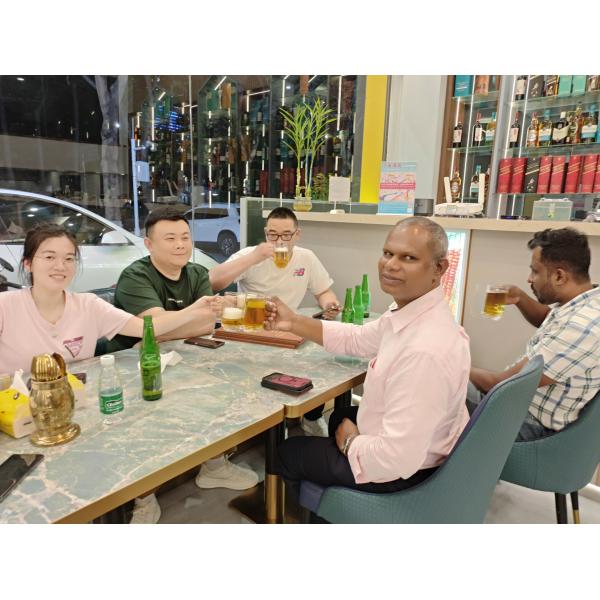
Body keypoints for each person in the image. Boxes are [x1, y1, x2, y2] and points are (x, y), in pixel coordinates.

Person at [265, 217, 471, 497]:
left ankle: (324, 509)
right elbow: (358, 338)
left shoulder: (423, 352)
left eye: (408, 258)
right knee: (340, 416)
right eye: (388, 253)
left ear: (439, 268)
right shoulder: (414, 311)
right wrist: (293, 322)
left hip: (408, 474)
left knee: (288, 451)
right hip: (423, 445)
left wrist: (351, 442)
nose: (391, 265)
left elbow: (396, 460)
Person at [107, 207, 259, 524]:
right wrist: (184, 320)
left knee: (224, 385)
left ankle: (214, 466)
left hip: (184, 356)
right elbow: (151, 328)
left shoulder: (197, 273)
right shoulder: (135, 276)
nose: (180, 245)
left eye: (185, 237)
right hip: (135, 367)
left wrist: (173, 324)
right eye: (170, 238)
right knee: (147, 415)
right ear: (149, 244)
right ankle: (143, 497)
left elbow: (205, 324)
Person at [0, 223, 218, 376]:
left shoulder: (88, 305)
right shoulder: (5, 306)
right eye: (49, 257)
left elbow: (145, 327)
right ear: (28, 263)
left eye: (69, 259)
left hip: (74, 402)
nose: (60, 266)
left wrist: (194, 310)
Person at [211, 206, 341, 437]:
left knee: (319, 363)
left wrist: (329, 305)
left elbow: (323, 291)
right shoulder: (251, 255)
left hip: (290, 329)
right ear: (265, 233)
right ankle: (265, 429)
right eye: (273, 234)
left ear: (297, 234)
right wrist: (255, 257)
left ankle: (311, 417)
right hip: (254, 330)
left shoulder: (306, 257)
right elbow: (214, 282)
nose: (279, 240)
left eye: (286, 235)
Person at [469, 227, 600, 441]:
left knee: (437, 384)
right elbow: (549, 319)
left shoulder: (581, 327)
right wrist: (520, 298)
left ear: (559, 276)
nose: (529, 279)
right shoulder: (585, 302)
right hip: (520, 405)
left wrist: (454, 365)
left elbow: (502, 385)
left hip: (527, 424)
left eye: (535, 272)